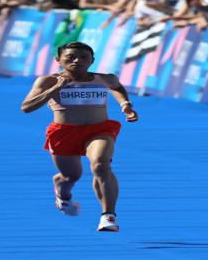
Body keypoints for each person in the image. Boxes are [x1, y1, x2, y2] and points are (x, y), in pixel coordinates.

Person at [21, 42, 138, 232]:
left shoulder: (105, 78)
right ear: (59, 60)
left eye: (84, 57)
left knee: (101, 165)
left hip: (99, 130)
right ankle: (63, 193)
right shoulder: (47, 81)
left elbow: (117, 86)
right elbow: (26, 107)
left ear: (92, 60)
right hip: (64, 132)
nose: (77, 61)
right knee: (71, 176)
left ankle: (108, 216)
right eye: (71, 57)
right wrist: (55, 89)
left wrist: (125, 104)